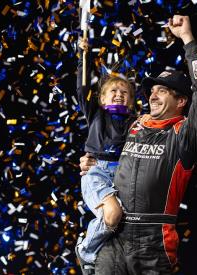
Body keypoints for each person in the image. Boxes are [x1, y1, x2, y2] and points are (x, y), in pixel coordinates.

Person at [79, 15, 197, 274]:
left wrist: (187, 40)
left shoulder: (184, 135)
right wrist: (89, 160)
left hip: (154, 244)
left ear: (181, 102)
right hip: (114, 239)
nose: (153, 95)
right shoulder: (133, 125)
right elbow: (102, 144)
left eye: (162, 91)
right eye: (152, 90)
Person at [74, 34, 143, 274]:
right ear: (102, 98)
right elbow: (82, 88)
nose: (118, 94)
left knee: (118, 221)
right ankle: (86, 252)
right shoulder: (96, 114)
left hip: (122, 176)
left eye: (125, 92)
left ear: (132, 101)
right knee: (113, 215)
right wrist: (84, 55)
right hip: (96, 171)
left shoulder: (135, 123)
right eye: (113, 90)